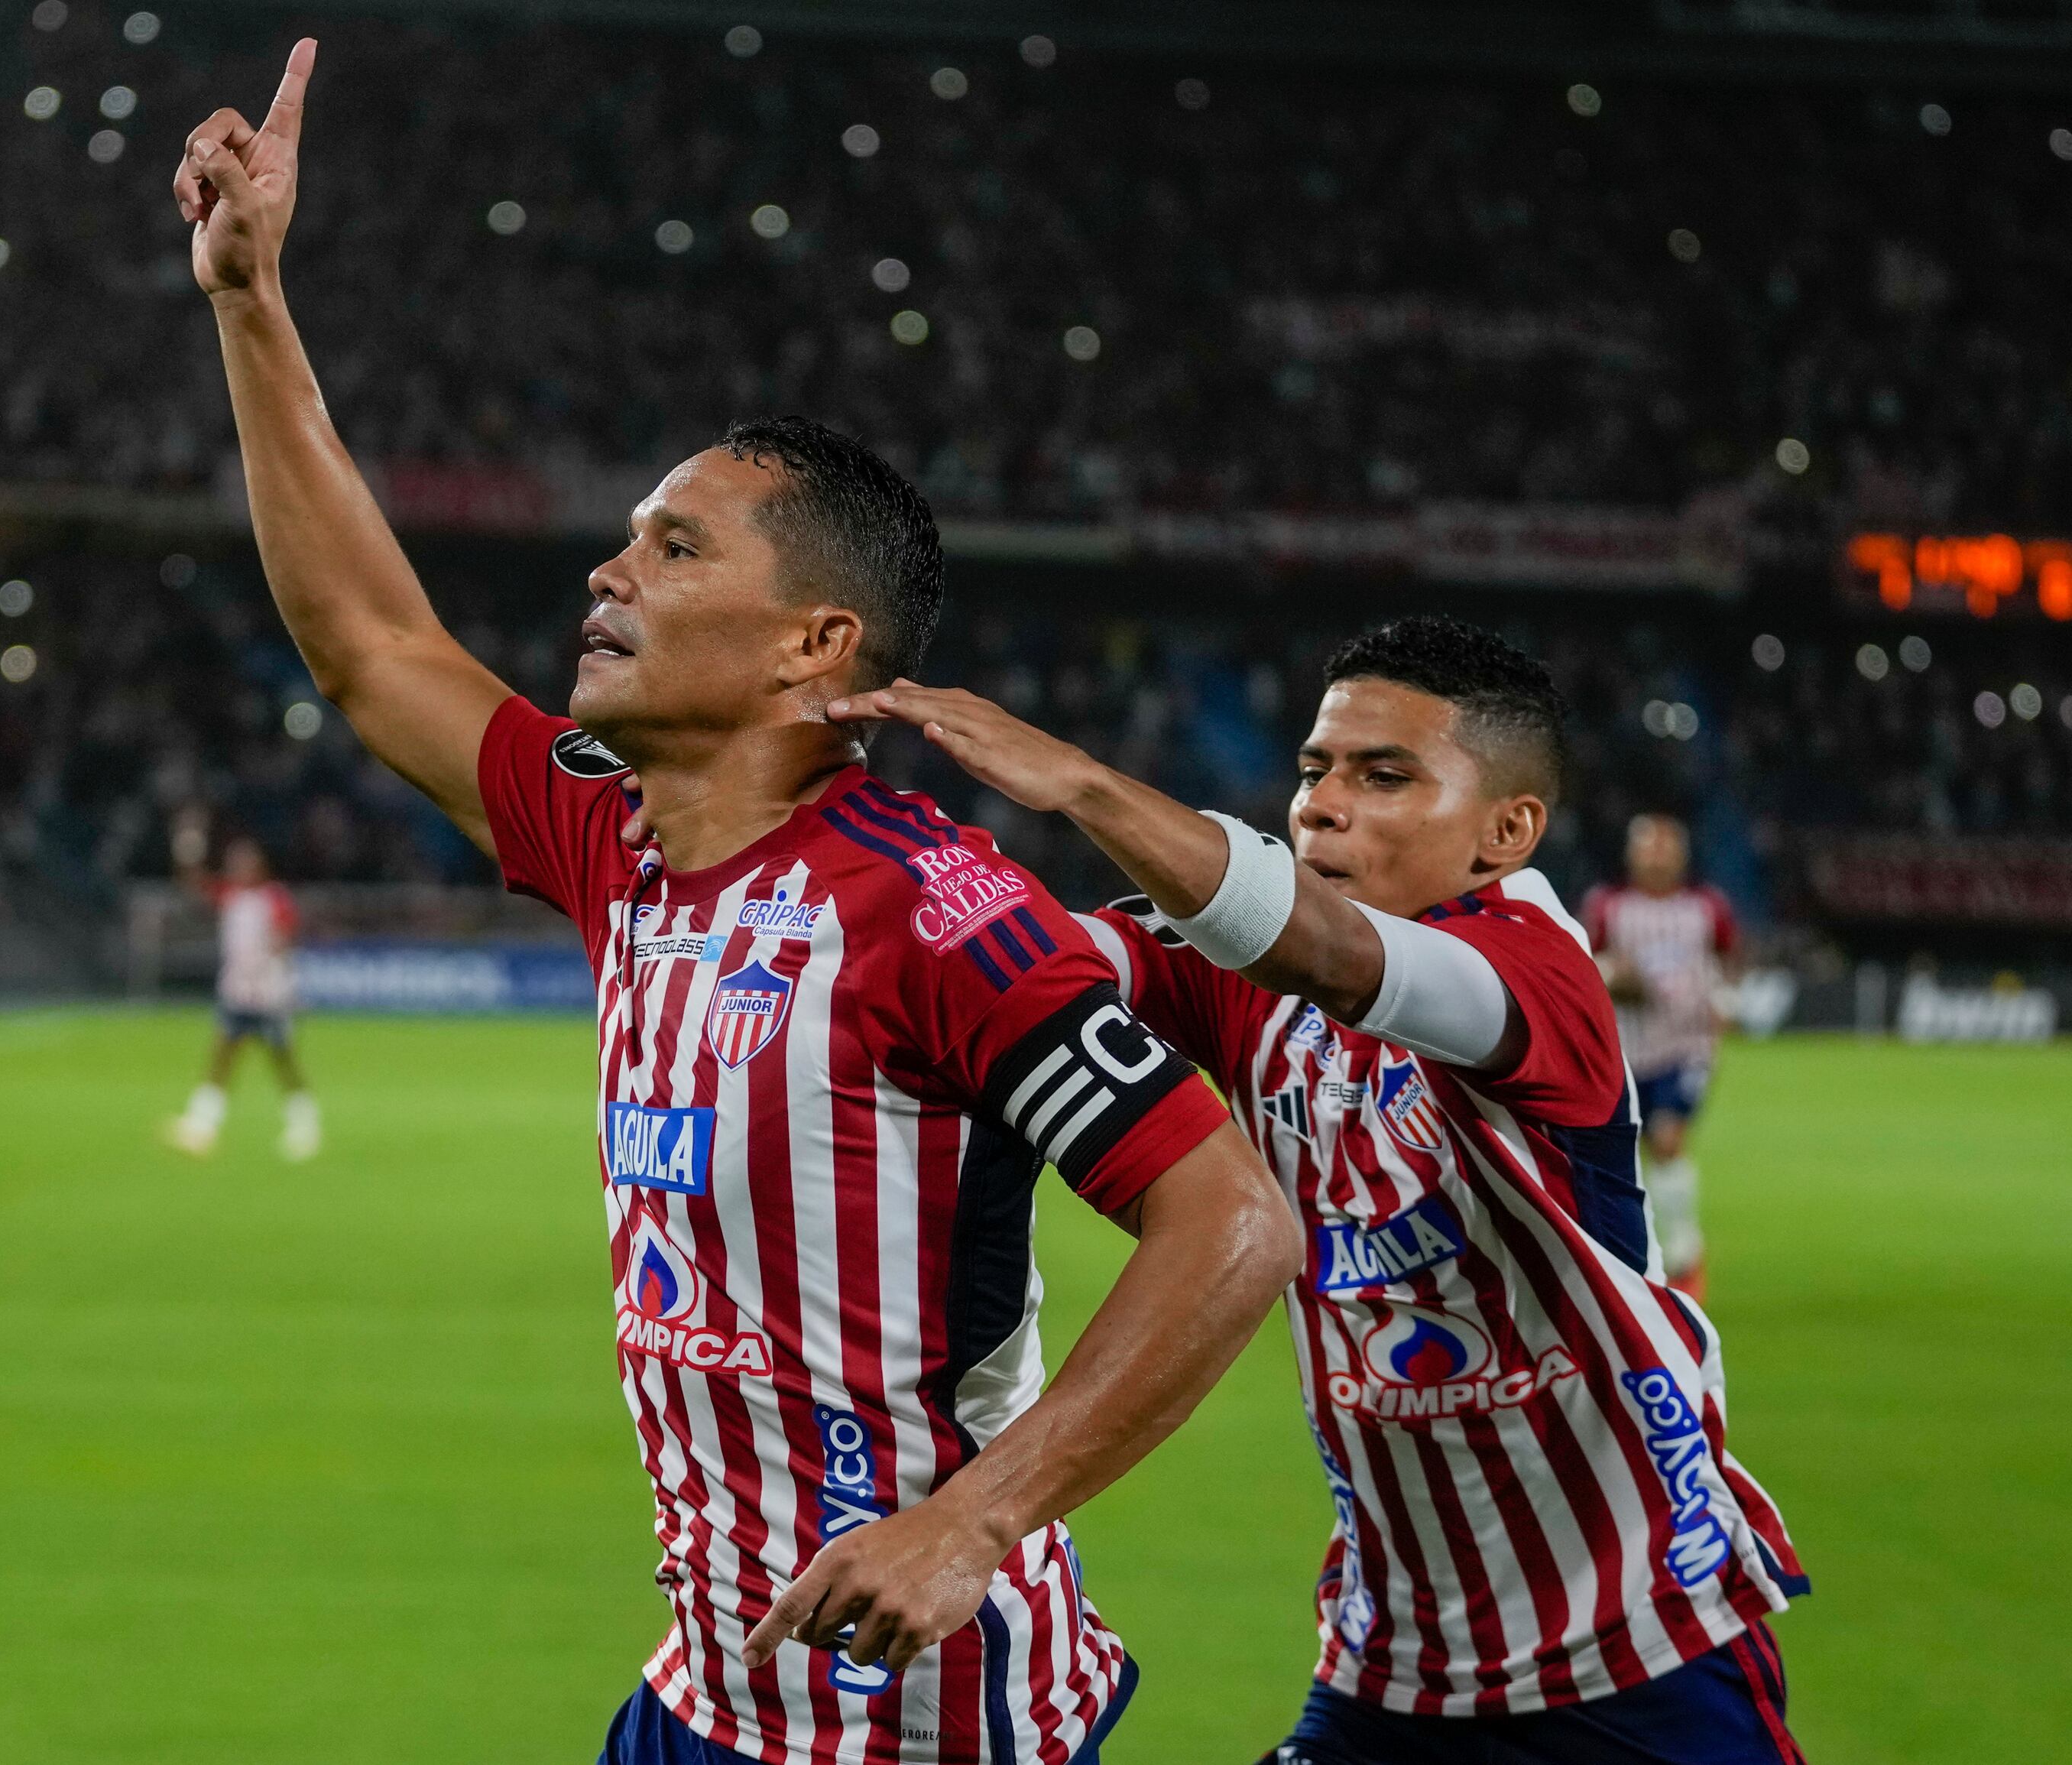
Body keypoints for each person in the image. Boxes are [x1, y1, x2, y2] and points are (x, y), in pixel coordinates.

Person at [174, 41, 1302, 1764]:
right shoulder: (612, 835)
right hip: (707, 1690)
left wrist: (978, 1517)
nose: (608, 572)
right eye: (630, 538)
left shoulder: (936, 909)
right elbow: (373, 646)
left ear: (813, 646)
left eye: (676, 547)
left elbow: (1231, 1224)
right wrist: (253, 303)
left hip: (922, 1724)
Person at [825, 617, 1807, 1765]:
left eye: (1384, 776)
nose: (1323, 805)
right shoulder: (1252, 989)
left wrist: (1085, 786)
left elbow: (1330, 952)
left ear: (1507, 831)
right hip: (1393, 1662)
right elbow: (1029, 964)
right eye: (1312, 770)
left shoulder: (1539, 969)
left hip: (1636, 1648)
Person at [1583, 816, 1738, 1302]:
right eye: (1648, 848)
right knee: (1622, 1154)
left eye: (1666, 847)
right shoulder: (1608, 906)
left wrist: (1727, 1000)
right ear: (1631, 855)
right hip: (1625, 1050)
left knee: (1668, 1139)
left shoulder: (1706, 907)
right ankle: (1629, 1258)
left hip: (1687, 1047)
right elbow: (1583, 962)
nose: (1657, 856)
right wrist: (1615, 975)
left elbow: (1730, 956)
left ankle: (1685, 1255)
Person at [164, 829, 322, 1162]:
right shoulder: (232, 897)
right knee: (222, 1056)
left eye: (245, 864)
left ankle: (305, 1123)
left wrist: (275, 966)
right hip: (237, 994)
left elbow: (285, 938)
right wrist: (188, 852)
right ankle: (202, 1123)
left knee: (282, 1060)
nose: (239, 869)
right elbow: (195, 888)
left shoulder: (273, 899)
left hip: (267, 995)